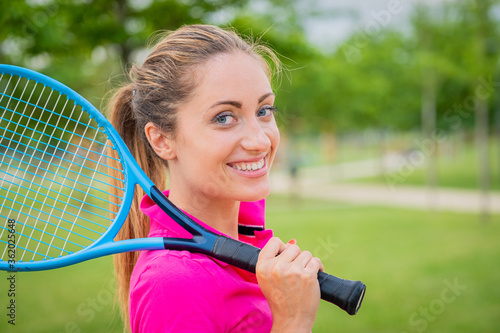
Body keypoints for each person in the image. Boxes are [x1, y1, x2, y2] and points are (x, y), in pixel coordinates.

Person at [108, 24, 324, 332]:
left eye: (264, 110)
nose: (260, 141)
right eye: (224, 118)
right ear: (162, 140)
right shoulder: (174, 285)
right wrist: (293, 321)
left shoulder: (243, 233)